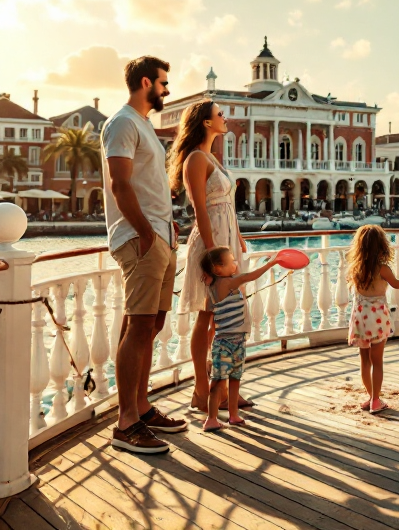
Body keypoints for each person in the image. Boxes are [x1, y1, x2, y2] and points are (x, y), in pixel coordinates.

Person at [104, 55, 185, 455]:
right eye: (163, 83)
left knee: (151, 324)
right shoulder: (121, 122)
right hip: (141, 239)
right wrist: (145, 232)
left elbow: (148, 184)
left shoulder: (145, 127)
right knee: (138, 327)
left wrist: (167, 230)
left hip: (161, 237)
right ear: (144, 82)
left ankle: (141, 407)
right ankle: (125, 424)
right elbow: (120, 184)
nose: (167, 90)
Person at [169, 99, 255, 413]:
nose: (225, 117)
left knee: (228, 320)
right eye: (220, 114)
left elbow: (226, 206)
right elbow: (201, 210)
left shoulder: (213, 159)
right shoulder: (195, 158)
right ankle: (201, 389)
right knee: (207, 315)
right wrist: (211, 255)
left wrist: (239, 237)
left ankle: (226, 388)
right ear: (206, 122)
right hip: (211, 245)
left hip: (227, 243)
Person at [199, 246, 279, 431]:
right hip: (228, 342)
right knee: (222, 381)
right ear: (218, 268)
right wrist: (272, 263)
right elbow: (250, 276)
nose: (235, 264)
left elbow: (212, 323)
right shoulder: (228, 283)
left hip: (230, 341)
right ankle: (212, 419)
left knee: (229, 379)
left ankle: (233, 415)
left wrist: (211, 345)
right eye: (231, 261)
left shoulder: (214, 289)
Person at [347, 225, 399, 413]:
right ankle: (375, 400)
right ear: (382, 245)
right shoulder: (382, 268)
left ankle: (370, 396)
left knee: (364, 361)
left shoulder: (355, 269)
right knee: (378, 361)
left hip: (359, 319)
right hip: (377, 319)